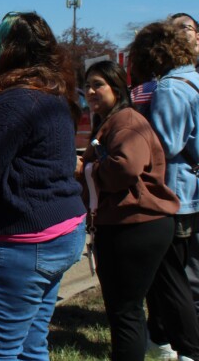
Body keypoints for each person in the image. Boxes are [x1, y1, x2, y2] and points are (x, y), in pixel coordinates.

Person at [0, 12, 86, 360]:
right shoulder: (52, 95)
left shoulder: (14, 101)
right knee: (31, 346)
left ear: (7, 51)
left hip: (20, 244)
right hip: (59, 233)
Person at [76, 60, 181, 360]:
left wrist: (88, 169)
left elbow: (127, 166)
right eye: (88, 85)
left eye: (99, 84)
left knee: (125, 312)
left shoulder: (126, 121)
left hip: (133, 226)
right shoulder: (110, 121)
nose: (91, 91)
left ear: (117, 87)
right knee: (131, 308)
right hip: (132, 223)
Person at [130, 21, 199, 361]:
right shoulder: (194, 80)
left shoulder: (171, 89)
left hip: (173, 194)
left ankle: (188, 349)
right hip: (187, 192)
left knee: (171, 280)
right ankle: (161, 341)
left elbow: (166, 144)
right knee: (173, 276)